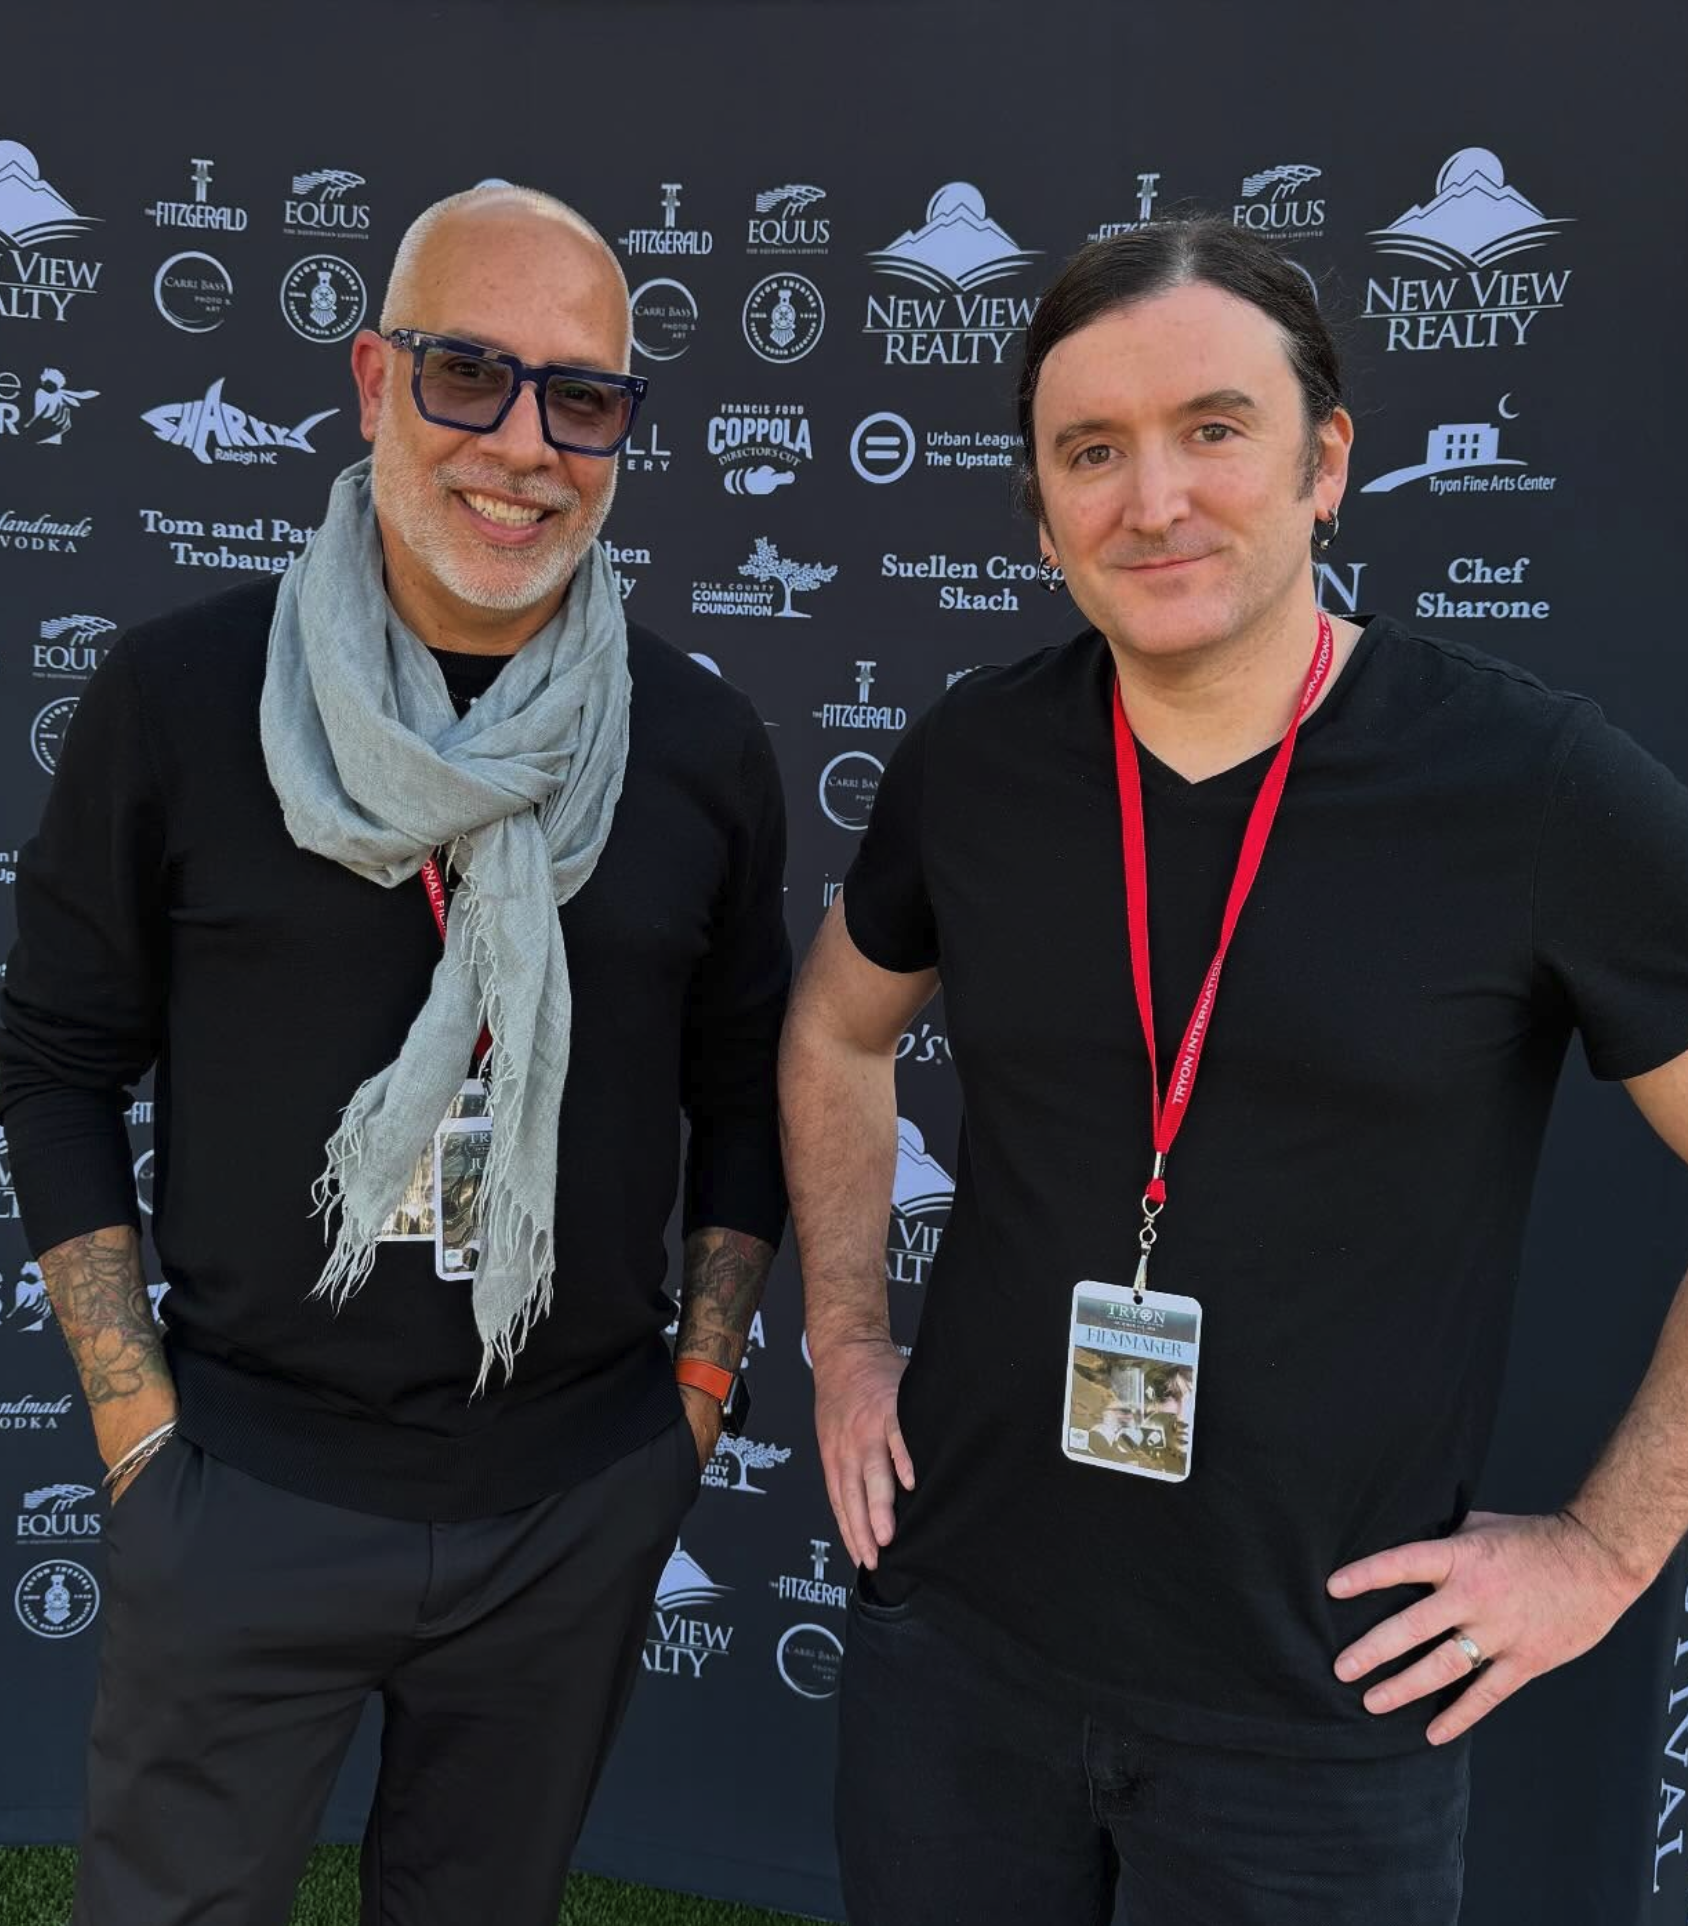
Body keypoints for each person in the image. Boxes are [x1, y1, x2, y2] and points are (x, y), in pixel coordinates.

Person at [778, 217, 1688, 1924]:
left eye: (1214, 429)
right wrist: (842, 1337)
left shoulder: (1531, 787)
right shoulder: (977, 756)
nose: (1155, 499)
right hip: (960, 1649)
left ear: (1325, 463)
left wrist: (1609, 1546)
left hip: (1318, 1717)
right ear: (1042, 508)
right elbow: (836, 1024)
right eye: (1091, 451)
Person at [0, 184, 789, 1926]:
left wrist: (693, 1403)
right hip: (245, 1487)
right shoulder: (178, 700)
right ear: (373, 380)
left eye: (582, 397)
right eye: (467, 373)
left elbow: (746, 1092)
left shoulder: (700, 744)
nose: (523, 445)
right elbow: (53, 1058)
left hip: (572, 1499)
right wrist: (136, 1432)